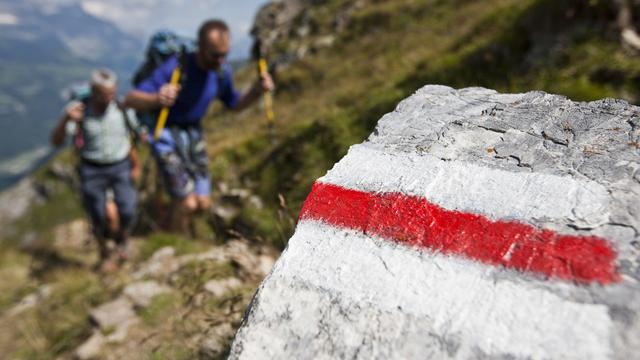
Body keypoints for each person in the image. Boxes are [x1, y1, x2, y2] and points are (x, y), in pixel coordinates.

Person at [125, 19, 274, 230]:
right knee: (187, 202)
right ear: (200, 47)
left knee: (202, 203)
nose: (221, 60)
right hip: (166, 133)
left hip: (194, 135)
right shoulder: (177, 66)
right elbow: (130, 99)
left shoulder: (222, 72)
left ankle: (170, 224)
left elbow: (235, 103)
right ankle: (179, 244)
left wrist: (256, 91)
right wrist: (156, 98)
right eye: (215, 55)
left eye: (225, 54)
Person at [51, 68, 141, 271]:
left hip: (120, 165)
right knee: (99, 214)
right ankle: (105, 253)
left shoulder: (122, 108)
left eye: (112, 93)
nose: (108, 98)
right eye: (103, 94)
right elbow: (56, 141)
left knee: (127, 208)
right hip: (92, 169)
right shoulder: (79, 111)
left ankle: (123, 240)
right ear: (93, 90)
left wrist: (136, 163)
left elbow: (131, 136)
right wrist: (66, 119)